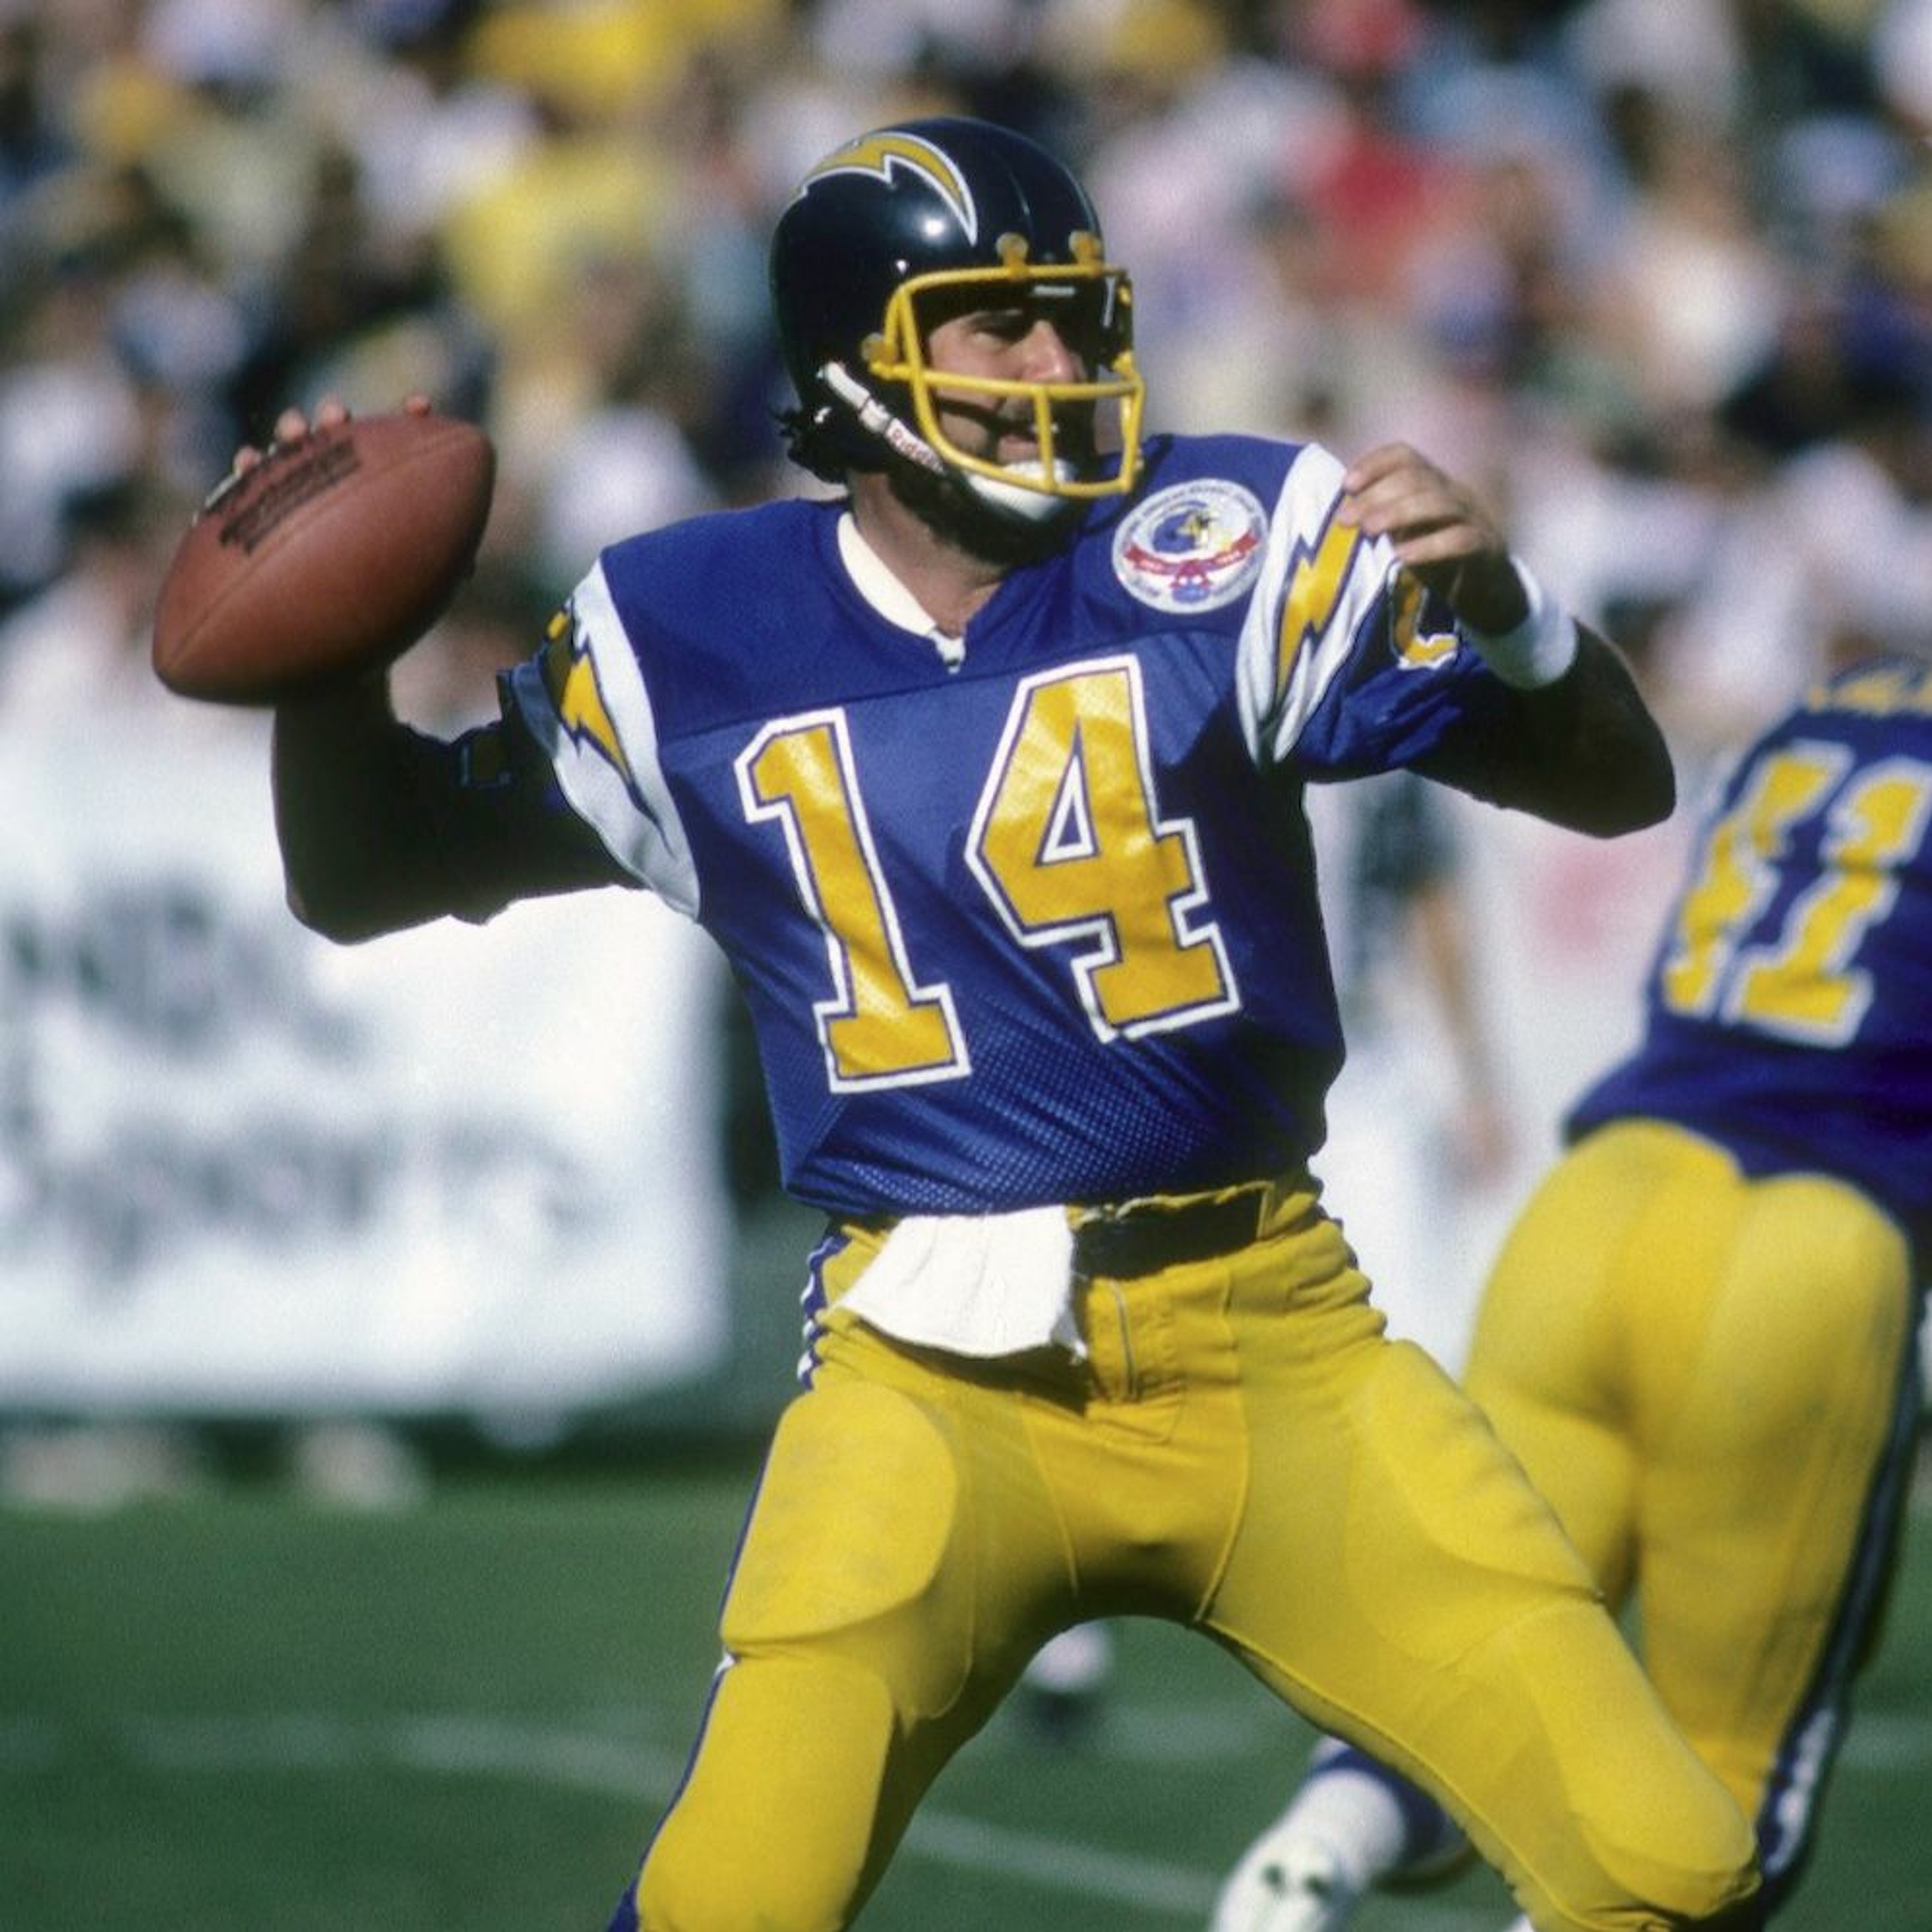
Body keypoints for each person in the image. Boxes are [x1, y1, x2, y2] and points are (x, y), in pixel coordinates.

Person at [251, 117, 1761, 1931]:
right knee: (733, 1905)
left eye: (1078, 318)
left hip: (1270, 1335)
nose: (1060, 364)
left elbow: (1613, 784)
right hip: (927, 1376)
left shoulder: (1223, 535)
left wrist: (1513, 619)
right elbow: (370, 875)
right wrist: (322, 670)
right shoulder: (684, 628)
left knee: (1671, 1873)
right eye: (1000, 323)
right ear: (853, 363)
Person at [1211, 643, 1932, 1932]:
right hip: (1805, 1244)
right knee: (1720, 1785)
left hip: (1599, 1200)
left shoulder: (1816, 711)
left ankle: (1317, 1849)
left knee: (1473, 1679)